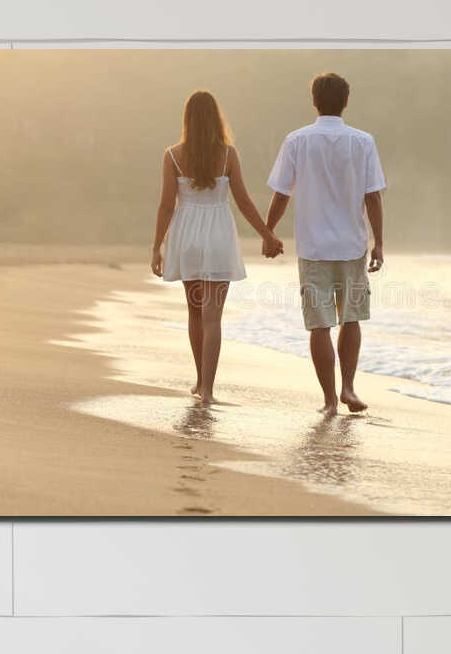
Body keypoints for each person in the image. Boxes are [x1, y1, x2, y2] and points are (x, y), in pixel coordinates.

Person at [265, 71, 386, 417]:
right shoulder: (363, 141)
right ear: (346, 101)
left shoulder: (297, 141)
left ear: (314, 101)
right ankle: (348, 386)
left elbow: (281, 193)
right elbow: (373, 196)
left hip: (314, 249)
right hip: (351, 246)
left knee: (319, 325)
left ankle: (330, 399)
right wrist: (379, 243)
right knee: (351, 319)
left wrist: (268, 232)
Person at [151, 90, 283, 405]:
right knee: (213, 317)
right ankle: (208, 389)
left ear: (187, 119)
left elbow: (166, 206)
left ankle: (199, 382)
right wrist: (267, 234)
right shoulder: (228, 155)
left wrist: (157, 246)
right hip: (219, 236)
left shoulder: (172, 155)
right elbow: (244, 202)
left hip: (187, 238)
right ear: (216, 118)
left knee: (195, 313)